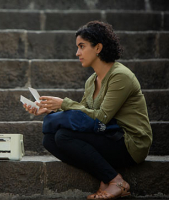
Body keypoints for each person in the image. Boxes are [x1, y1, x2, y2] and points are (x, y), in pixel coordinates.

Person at [23, 21, 152, 199]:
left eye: (82, 46)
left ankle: (116, 181)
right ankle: (105, 176)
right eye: (78, 47)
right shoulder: (92, 81)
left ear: (98, 47)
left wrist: (63, 104)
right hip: (107, 134)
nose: (77, 53)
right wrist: (49, 110)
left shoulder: (120, 76)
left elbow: (101, 118)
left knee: (63, 136)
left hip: (131, 143)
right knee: (49, 140)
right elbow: (84, 115)